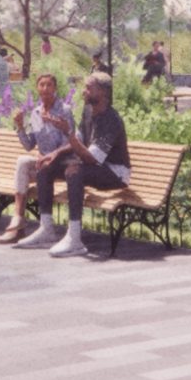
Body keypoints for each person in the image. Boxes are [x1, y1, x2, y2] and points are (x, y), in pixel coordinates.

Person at [19, 74, 131, 258]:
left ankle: (75, 239)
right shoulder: (88, 110)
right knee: (44, 166)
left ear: (102, 92)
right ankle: (46, 229)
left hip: (115, 173)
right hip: (97, 166)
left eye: (88, 88)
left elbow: (91, 159)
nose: (83, 91)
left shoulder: (111, 120)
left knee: (74, 171)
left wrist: (67, 131)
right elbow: (78, 141)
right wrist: (54, 154)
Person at [1, 73, 75, 245]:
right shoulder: (35, 113)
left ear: (55, 89)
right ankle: (18, 218)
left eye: (49, 85)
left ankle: (38, 228)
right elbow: (28, 145)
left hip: (62, 163)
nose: (45, 89)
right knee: (22, 161)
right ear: (37, 89)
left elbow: (69, 144)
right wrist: (20, 126)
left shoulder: (64, 110)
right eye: (42, 85)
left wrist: (50, 156)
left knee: (41, 166)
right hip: (43, 165)